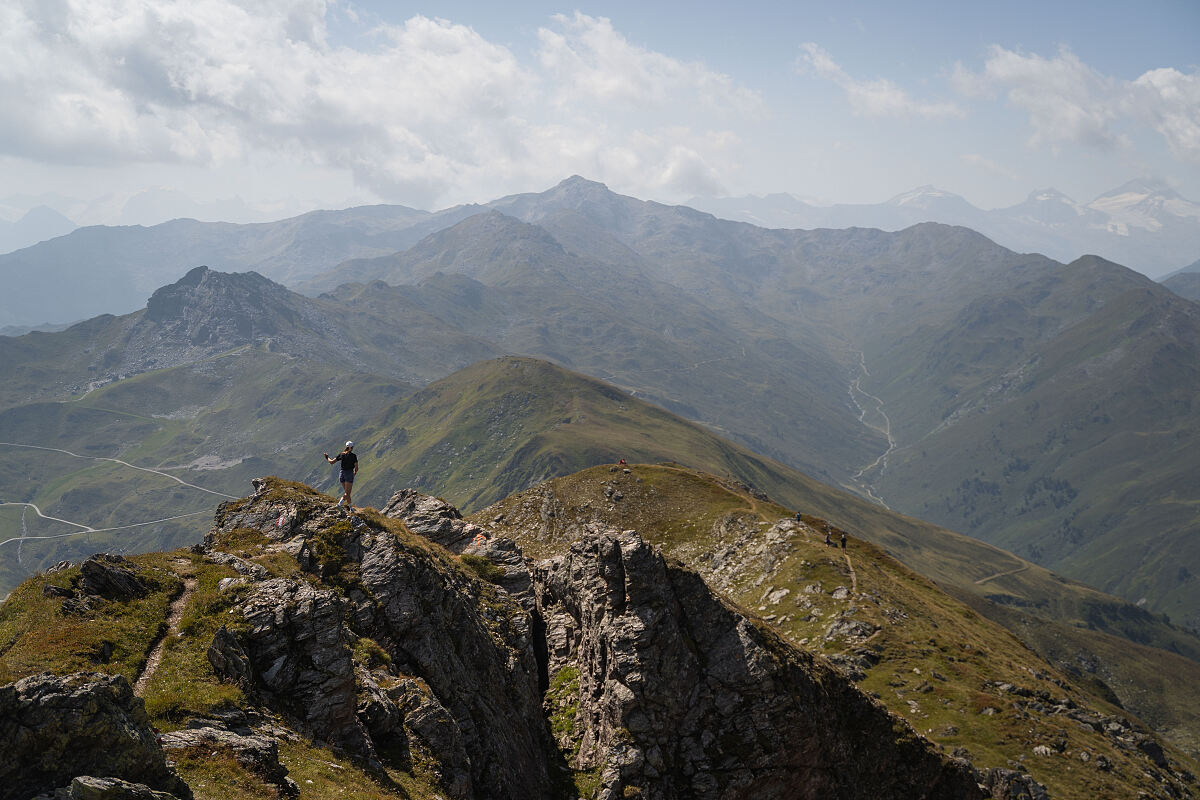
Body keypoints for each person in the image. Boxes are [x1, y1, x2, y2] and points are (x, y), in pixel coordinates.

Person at [324, 441, 359, 510]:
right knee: (347, 493)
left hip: (342, 474)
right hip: (349, 474)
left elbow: (331, 462)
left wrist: (327, 457)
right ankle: (339, 505)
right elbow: (356, 468)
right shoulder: (353, 456)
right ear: (352, 448)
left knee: (347, 493)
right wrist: (355, 473)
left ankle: (351, 508)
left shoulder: (341, 454)